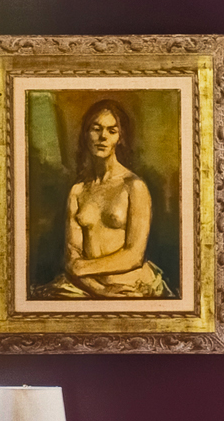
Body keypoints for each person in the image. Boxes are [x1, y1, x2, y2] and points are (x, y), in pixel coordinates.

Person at [56, 99, 169, 299]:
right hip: (89, 288)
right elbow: (72, 258)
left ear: (120, 138)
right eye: (96, 129)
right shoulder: (77, 190)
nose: (102, 137)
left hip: (131, 287)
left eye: (111, 131)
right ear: (85, 134)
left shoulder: (134, 186)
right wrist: (100, 290)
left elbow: (134, 256)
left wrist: (82, 268)